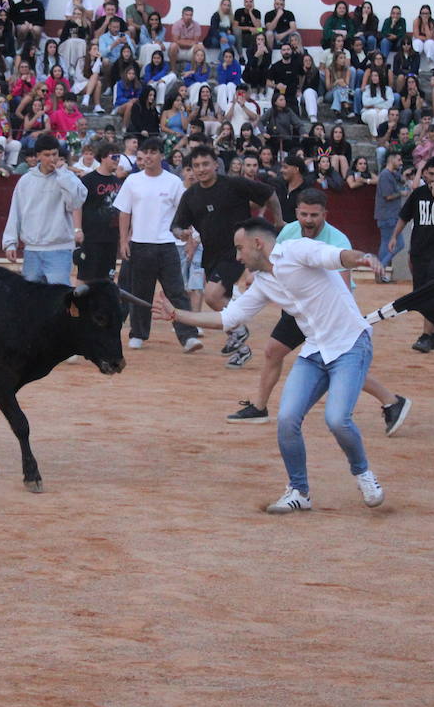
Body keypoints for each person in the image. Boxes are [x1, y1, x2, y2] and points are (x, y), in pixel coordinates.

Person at [156, 216, 388, 513]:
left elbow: (337, 257)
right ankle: (299, 491)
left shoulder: (297, 250)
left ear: (257, 244)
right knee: (287, 419)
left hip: (351, 344)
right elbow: (228, 319)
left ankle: (363, 473)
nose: (237, 257)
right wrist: (177, 315)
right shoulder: (263, 284)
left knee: (337, 419)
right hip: (315, 351)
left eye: (240, 249)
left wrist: (366, 258)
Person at [224, 188, 412, 434]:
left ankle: (392, 401)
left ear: (325, 214)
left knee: (337, 363)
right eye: (304, 214)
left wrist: (345, 317)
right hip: (295, 308)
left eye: (314, 215)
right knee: (273, 352)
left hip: (326, 313)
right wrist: (253, 274)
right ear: (297, 213)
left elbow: (342, 279)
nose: (309, 220)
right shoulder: (289, 232)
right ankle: (259, 407)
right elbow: (268, 259)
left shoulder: (338, 239)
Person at [169, 143, 280, 365]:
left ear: (215, 165)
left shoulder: (233, 184)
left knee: (211, 295)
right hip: (211, 255)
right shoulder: (191, 196)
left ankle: (238, 330)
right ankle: (241, 348)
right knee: (219, 300)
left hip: (238, 251)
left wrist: (278, 220)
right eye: (196, 165)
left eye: (205, 164)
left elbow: (269, 193)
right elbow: (177, 225)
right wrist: (182, 234)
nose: (201, 169)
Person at [114, 137, 202, 352]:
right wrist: (124, 240)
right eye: (146, 153)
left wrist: (190, 237)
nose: (150, 157)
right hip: (140, 243)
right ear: (141, 157)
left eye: (154, 152)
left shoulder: (173, 182)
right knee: (139, 292)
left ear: (161, 156)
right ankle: (138, 334)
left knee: (176, 292)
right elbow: (124, 212)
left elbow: (185, 212)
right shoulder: (133, 181)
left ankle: (188, 336)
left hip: (166, 244)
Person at [388, 156, 434, 352]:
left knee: (431, 292)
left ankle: (427, 336)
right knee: (423, 295)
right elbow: (404, 216)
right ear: (425, 174)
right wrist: (394, 236)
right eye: (431, 174)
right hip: (419, 251)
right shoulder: (418, 194)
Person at [2, 134, 87, 285]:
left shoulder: (67, 177)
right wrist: (10, 242)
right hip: (32, 250)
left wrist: (63, 176)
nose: (52, 159)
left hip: (59, 249)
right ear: (38, 156)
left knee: (59, 300)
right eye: (47, 155)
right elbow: (16, 212)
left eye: (54, 154)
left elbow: (76, 202)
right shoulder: (25, 181)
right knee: (31, 299)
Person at [75, 140, 122, 280]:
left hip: (112, 238)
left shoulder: (118, 182)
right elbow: (77, 205)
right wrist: (77, 229)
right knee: (85, 278)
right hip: (91, 237)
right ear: (103, 157)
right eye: (114, 157)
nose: (117, 160)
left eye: (118, 157)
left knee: (108, 279)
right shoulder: (88, 180)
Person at [373, 151, 412, 281]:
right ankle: (380, 268)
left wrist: (405, 175)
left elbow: (401, 179)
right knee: (398, 243)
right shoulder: (385, 175)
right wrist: (402, 193)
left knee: (386, 243)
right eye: (399, 160)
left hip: (388, 214)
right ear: (391, 160)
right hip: (387, 215)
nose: (401, 163)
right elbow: (388, 196)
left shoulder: (389, 174)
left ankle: (380, 271)